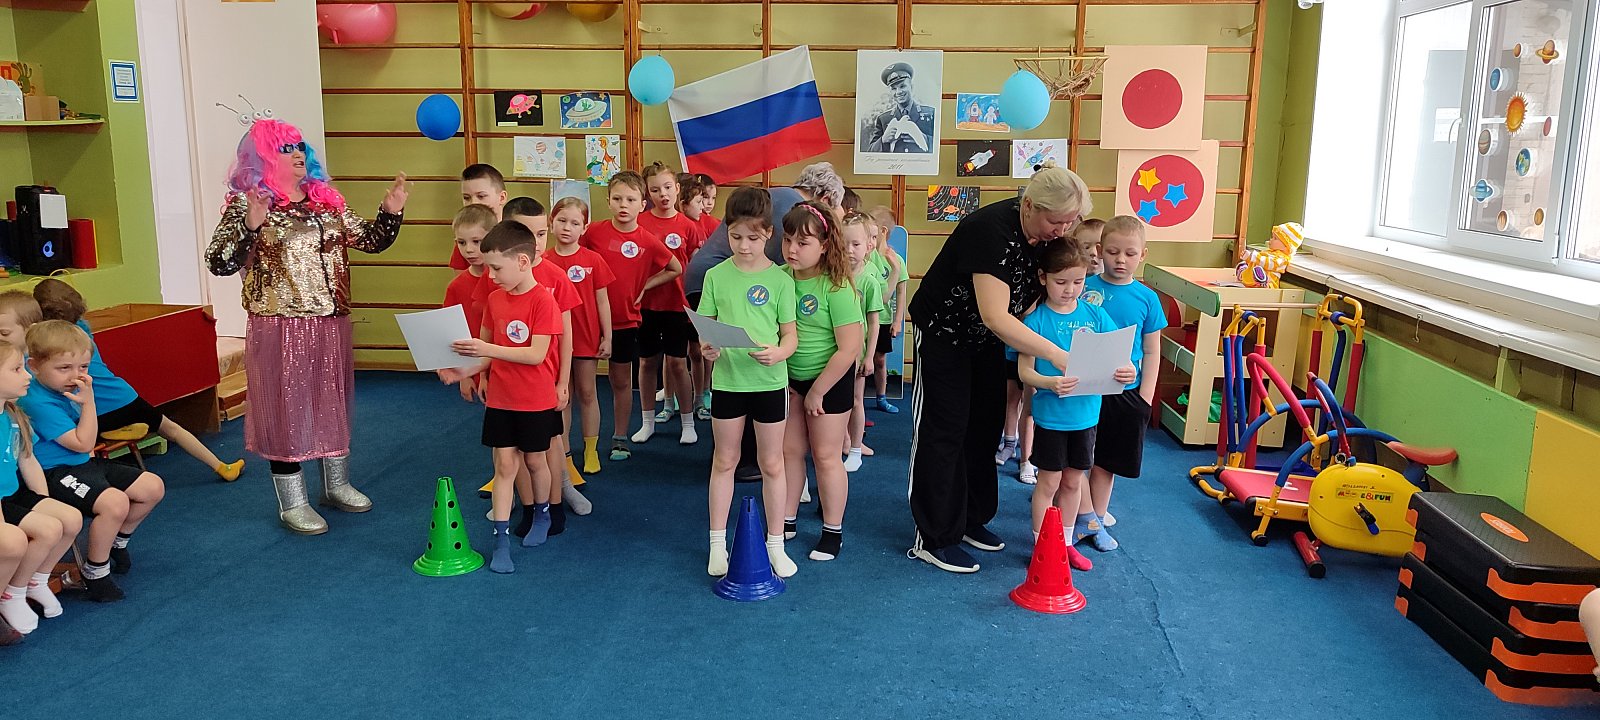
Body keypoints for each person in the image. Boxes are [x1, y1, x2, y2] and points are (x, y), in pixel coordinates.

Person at [206, 117, 407, 534]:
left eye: (299, 146)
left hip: (330, 320)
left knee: (331, 401)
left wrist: (390, 212)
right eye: (285, 148)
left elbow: (371, 241)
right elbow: (219, 262)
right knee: (286, 411)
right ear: (262, 157)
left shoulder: (326, 200)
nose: (297, 153)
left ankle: (337, 485)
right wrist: (250, 225)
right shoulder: (249, 203)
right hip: (280, 324)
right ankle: (292, 502)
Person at [906, 162, 1092, 574]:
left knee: (984, 426)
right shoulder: (988, 230)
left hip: (986, 341)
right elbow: (995, 315)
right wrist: (1057, 354)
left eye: (1069, 222)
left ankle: (970, 519)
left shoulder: (1047, 235)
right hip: (944, 334)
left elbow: (1034, 296)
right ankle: (934, 537)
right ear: (1029, 206)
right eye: (1056, 220)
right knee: (944, 429)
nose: (1062, 230)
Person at [685, 163, 845, 482]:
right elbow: (782, 263)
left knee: (736, 360)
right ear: (824, 197)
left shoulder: (777, 195)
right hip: (722, 280)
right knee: (743, 363)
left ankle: (733, 453)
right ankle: (744, 458)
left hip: (702, 275)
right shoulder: (793, 208)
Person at [29, 279, 245, 482]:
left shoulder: (43, 347)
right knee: (171, 429)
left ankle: (105, 457)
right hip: (122, 397)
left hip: (93, 412)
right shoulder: (82, 330)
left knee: (77, 435)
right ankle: (220, 466)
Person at [441, 221, 564, 574]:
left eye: (496, 268)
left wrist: (487, 349)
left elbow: (536, 354)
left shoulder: (544, 301)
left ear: (522, 262)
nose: (491, 276)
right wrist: (464, 372)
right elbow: (485, 353)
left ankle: (542, 514)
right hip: (501, 399)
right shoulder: (494, 300)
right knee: (504, 467)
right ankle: (501, 541)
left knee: (536, 462)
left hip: (535, 400)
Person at [19, 321, 166, 602]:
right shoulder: (38, 402)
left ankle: (116, 542)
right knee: (114, 503)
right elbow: (84, 443)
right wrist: (89, 403)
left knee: (152, 487)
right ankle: (95, 571)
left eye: (83, 367)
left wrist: (86, 403)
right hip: (55, 472)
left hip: (82, 464)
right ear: (34, 366)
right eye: (64, 368)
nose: (76, 376)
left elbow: (87, 445)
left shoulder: (65, 389)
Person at [695, 188, 797, 577]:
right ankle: (716, 544)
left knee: (772, 463)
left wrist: (780, 352)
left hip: (769, 383)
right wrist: (707, 347)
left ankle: (776, 544)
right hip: (728, 384)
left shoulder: (781, 280)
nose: (744, 246)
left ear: (768, 233)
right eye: (736, 236)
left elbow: (790, 336)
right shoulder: (716, 276)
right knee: (725, 461)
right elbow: (706, 329)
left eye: (753, 238)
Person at [1015, 238, 1133, 572]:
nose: (1070, 290)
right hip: (1052, 418)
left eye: (1078, 282)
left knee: (1071, 483)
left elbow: (1119, 358)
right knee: (1049, 483)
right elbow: (1024, 371)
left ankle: (1065, 544)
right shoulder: (1036, 321)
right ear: (1043, 278)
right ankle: (1042, 547)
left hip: (1086, 417)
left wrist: (1128, 371)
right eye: (1061, 282)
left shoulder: (1095, 314)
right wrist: (1049, 382)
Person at [779, 201, 863, 565]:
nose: (792, 249)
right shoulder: (779, 278)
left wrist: (817, 391)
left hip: (829, 379)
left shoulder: (836, 288)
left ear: (825, 246)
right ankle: (785, 520)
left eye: (803, 243)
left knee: (826, 456)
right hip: (790, 378)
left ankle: (832, 530)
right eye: (787, 240)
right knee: (789, 452)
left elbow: (849, 349)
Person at [1078, 216, 1166, 551]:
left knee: (1107, 461)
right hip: (1084, 388)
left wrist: (1145, 398)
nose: (1120, 260)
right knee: (1076, 457)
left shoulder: (1147, 298)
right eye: (1113, 252)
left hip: (1126, 394)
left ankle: (1095, 520)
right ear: (1100, 250)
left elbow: (1152, 350)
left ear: (1143, 254)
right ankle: (1080, 513)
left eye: (1130, 254)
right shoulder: (1083, 287)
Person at [581, 171, 682, 462]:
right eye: (617, 199)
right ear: (608, 202)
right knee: (583, 386)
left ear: (642, 204)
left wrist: (645, 286)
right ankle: (584, 442)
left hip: (625, 321)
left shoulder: (647, 240)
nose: (623, 205)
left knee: (621, 381)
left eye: (630, 199)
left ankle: (620, 437)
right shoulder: (593, 233)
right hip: (589, 321)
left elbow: (675, 268)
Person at [505, 197, 591, 520]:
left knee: (553, 440)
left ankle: (563, 488)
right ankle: (520, 499)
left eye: (542, 234)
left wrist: (563, 381)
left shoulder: (555, 276)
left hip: (546, 376)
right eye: (527, 234)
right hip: (509, 378)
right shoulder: (497, 275)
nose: (536, 242)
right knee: (512, 444)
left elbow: (567, 335)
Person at [0, 341, 79, 638]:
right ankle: (12, 593)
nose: (27, 375)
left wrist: (43, 501)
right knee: (37, 534)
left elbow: (28, 460)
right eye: (17, 369)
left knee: (69, 519)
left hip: (11, 493)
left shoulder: (13, 415)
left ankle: (33, 581)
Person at [543, 198, 614, 475]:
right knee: (563, 396)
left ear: (584, 228)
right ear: (551, 223)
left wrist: (607, 336)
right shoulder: (544, 260)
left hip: (586, 337)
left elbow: (602, 301)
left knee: (587, 392)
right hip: (555, 341)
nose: (567, 227)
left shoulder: (593, 260)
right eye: (561, 221)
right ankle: (565, 455)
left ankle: (591, 449)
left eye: (575, 223)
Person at [634, 163, 704, 445]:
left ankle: (687, 422)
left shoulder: (688, 225)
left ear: (677, 189)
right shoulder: (640, 223)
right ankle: (647, 421)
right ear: (647, 194)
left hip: (677, 305)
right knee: (647, 362)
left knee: (677, 363)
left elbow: (696, 265)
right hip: (646, 305)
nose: (662, 194)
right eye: (655, 190)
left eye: (667, 188)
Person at [441, 204, 498, 403]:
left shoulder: (504, 280)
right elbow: (452, 332)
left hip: (505, 361)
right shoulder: (456, 286)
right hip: (475, 362)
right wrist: (464, 375)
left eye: (476, 241)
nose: (469, 249)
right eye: (462, 242)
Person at [841, 212, 883, 473]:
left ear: (868, 246)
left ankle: (855, 448)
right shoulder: (833, 276)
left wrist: (869, 357)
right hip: (834, 350)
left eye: (855, 244)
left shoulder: (869, 281)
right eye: (844, 244)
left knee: (856, 400)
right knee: (837, 402)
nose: (849, 250)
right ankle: (842, 442)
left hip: (857, 353)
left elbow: (874, 322)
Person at [677, 173, 717, 421]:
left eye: (708, 199)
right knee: (679, 353)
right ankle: (673, 395)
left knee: (702, 347)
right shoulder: (681, 225)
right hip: (676, 297)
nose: (704, 205)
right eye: (700, 201)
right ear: (683, 204)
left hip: (700, 295)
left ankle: (703, 393)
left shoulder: (711, 225)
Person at [864, 205, 908, 413]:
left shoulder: (895, 259)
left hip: (882, 319)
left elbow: (901, 291)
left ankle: (881, 397)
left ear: (882, 231)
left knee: (880, 360)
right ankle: (857, 402)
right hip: (863, 318)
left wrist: (898, 320)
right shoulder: (866, 256)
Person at [862, 62, 935, 154]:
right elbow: (870, 153)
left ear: (911, 87)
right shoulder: (883, 119)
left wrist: (924, 139)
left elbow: (940, 145)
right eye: (893, 88)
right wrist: (883, 140)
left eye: (902, 86)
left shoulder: (930, 113)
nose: (898, 92)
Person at [450, 163, 508, 270]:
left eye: (481, 196)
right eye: (466, 198)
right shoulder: (465, 239)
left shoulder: (516, 235)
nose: (474, 203)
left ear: (502, 197)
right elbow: (462, 279)